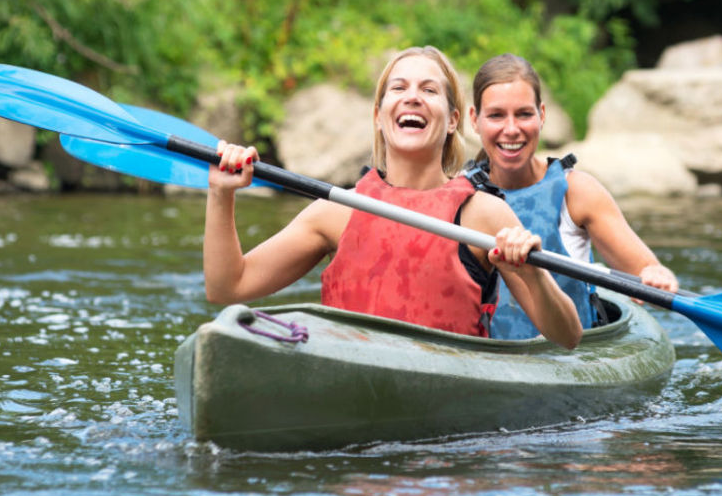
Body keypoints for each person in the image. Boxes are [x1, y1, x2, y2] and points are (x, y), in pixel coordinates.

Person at [203, 46, 582, 349]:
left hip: (448, 423)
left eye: (429, 90)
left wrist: (533, 276)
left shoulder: (483, 215)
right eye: (398, 89)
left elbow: (568, 337)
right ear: (379, 116)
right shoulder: (336, 212)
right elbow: (227, 287)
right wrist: (221, 195)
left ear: (452, 120)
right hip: (350, 387)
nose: (412, 98)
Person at [465, 53, 678, 340]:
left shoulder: (577, 192)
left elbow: (647, 274)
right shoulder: (459, 194)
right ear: (474, 119)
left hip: (570, 357)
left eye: (524, 114)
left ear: (542, 115)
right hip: (489, 362)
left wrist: (657, 276)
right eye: (496, 115)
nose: (511, 129)